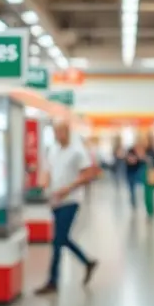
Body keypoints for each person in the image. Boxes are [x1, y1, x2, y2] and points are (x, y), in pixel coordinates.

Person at [35, 121, 99, 295]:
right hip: (55, 200)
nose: (57, 135)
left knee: (58, 240)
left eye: (60, 132)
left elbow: (88, 174)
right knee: (61, 239)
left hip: (71, 200)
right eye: (55, 132)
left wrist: (68, 188)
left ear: (67, 132)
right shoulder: (53, 151)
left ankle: (53, 281)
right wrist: (44, 185)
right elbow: (48, 172)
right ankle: (87, 262)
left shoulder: (78, 152)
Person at [136, 132, 154, 218]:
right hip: (148, 174)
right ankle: (150, 209)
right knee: (148, 193)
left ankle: (150, 210)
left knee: (149, 193)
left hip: (150, 174)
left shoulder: (151, 151)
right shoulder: (148, 150)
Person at [123, 136, 146, 210]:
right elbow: (128, 160)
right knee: (131, 188)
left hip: (137, 172)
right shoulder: (130, 151)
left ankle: (137, 200)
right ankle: (133, 201)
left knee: (138, 188)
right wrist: (135, 159)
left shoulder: (141, 151)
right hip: (130, 172)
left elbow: (142, 161)